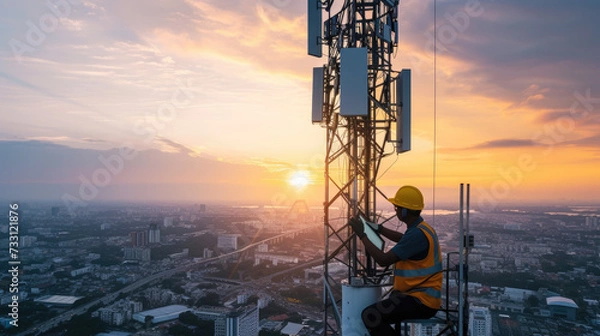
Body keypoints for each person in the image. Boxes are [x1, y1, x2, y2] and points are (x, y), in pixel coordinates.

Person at [349, 185, 442, 336]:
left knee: (371, 316)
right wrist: (379, 229)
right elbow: (403, 239)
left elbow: (383, 260)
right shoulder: (422, 228)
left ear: (405, 211)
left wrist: (362, 235)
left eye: (397, 208)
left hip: (421, 301)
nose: (396, 211)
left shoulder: (416, 235)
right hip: (420, 297)